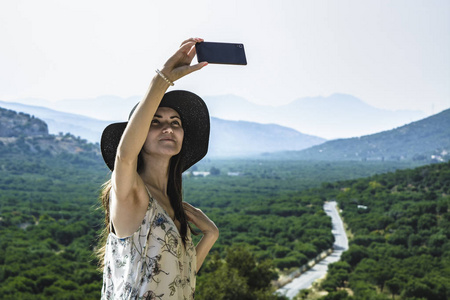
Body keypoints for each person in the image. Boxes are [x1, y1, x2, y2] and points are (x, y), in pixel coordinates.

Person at [98, 38, 219, 299]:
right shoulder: (132, 194)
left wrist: (209, 235)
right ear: (138, 136)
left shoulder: (174, 205)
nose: (169, 128)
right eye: (156, 122)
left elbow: (177, 278)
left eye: (175, 122)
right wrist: (163, 78)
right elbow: (125, 157)